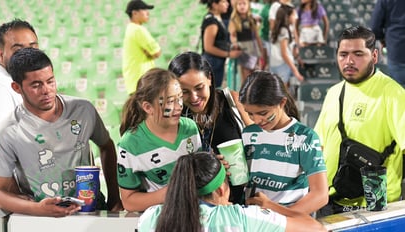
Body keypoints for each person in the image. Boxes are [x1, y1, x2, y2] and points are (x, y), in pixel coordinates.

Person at [0, 47, 122, 217]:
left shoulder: (84, 110)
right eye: (36, 85)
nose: (46, 90)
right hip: (42, 219)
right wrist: (38, 209)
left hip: (91, 211)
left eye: (50, 81)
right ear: (17, 87)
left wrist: (113, 196)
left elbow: (106, 146)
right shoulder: (7, 131)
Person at [314, 26, 405, 216]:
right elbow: (318, 147)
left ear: (374, 56)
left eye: (358, 54)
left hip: (374, 209)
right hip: (328, 205)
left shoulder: (393, 93)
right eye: (343, 54)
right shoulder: (333, 93)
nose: (349, 61)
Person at [137, 151, 327, 232]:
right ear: (221, 189)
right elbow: (315, 228)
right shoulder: (241, 217)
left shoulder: (151, 217)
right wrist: (270, 205)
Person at [238, 70, 328, 215]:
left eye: (263, 113)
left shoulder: (305, 138)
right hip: (254, 222)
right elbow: (244, 182)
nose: (256, 120)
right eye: (250, 114)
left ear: (282, 103)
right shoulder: (248, 133)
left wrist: (278, 214)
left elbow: (320, 196)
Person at [168, 51, 252, 204]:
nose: (194, 98)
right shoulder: (173, 116)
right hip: (194, 206)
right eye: (184, 92)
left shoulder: (233, 101)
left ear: (210, 79)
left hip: (239, 202)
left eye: (199, 88)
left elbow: (259, 143)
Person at [117, 68, 201, 212]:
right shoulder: (130, 144)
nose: (178, 107)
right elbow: (129, 202)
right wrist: (171, 193)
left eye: (180, 98)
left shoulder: (191, 128)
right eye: (170, 102)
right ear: (148, 107)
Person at [0, 19, 39, 136]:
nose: (28, 55)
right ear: (1, 54)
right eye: (18, 50)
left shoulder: (21, 78)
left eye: (33, 47)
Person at [122, 0, 161, 94]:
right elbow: (157, 52)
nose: (148, 13)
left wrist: (149, 53)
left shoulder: (130, 28)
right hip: (142, 82)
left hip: (134, 81)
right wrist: (150, 54)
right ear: (134, 13)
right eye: (144, 10)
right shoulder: (138, 30)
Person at [200, 0, 242, 88]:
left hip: (217, 62)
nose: (227, 4)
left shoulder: (218, 18)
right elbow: (208, 48)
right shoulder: (212, 22)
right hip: (212, 62)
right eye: (223, 2)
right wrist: (229, 54)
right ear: (215, 5)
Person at [229, 0, 267, 84]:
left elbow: (257, 36)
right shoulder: (234, 20)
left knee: (257, 75)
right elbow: (233, 35)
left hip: (254, 48)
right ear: (236, 6)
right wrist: (235, 44)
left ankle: (253, 95)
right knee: (246, 77)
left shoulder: (252, 18)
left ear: (248, 5)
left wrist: (261, 51)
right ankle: (245, 95)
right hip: (243, 48)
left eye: (244, 4)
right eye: (239, 4)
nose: (242, 6)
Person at [371, 0, 405, 88]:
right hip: (397, 50)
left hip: (397, 49)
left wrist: (383, 40)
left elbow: (375, 27)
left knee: (399, 92)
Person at [270, 4, 304, 87]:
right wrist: (295, 71)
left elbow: (289, 49)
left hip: (275, 64)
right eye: (293, 14)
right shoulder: (284, 31)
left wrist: (297, 58)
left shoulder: (279, 29)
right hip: (282, 65)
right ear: (287, 17)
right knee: (282, 94)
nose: (295, 17)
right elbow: (284, 54)